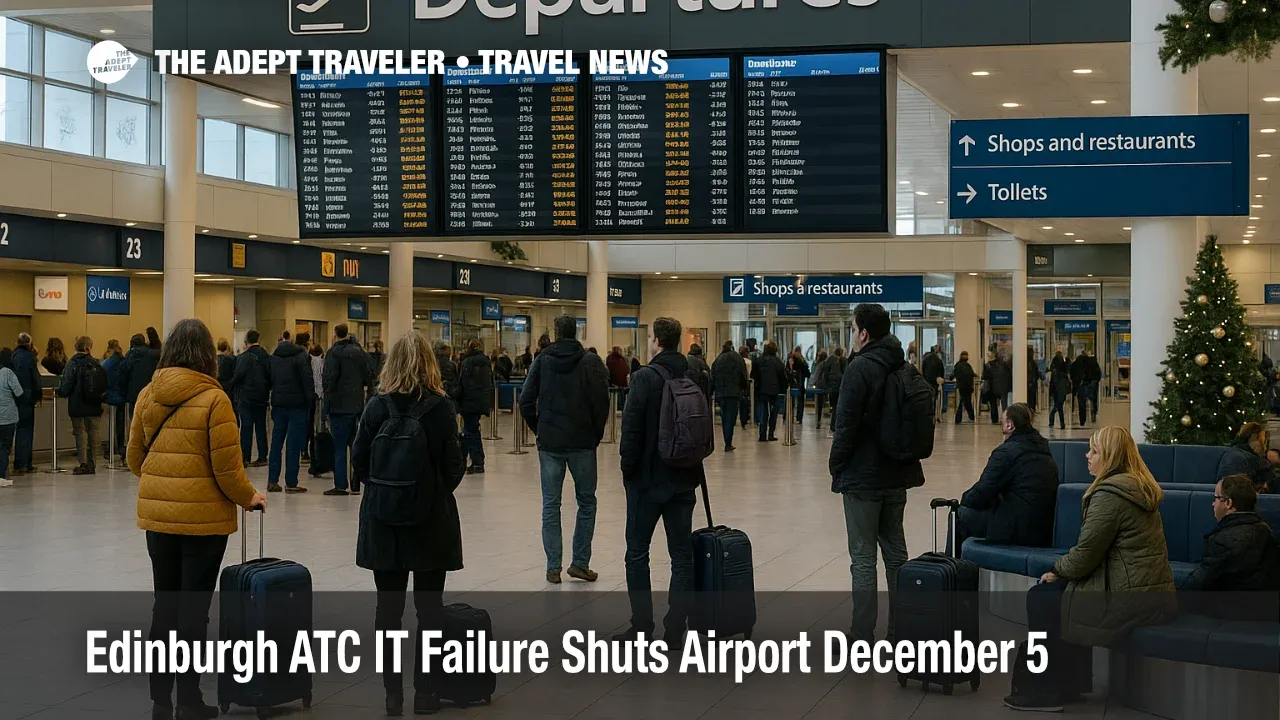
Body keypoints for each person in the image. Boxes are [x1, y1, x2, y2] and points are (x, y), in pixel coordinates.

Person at [128, 318, 266, 720]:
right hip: (204, 523)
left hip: (157, 519)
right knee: (193, 610)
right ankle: (189, 698)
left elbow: (135, 458)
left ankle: (159, 699)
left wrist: (164, 482)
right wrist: (249, 497)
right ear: (208, 354)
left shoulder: (147, 395)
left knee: (164, 607)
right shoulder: (214, 399)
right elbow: (227, 470)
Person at [1005, 426, 1177, 712]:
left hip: (1128, 595)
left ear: (1109, 457)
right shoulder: (1137, 486)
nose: (1088, 455)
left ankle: (1044, 690)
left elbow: (1086, 553)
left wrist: (1057, 570)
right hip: (1149, 589)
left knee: (1043, 597)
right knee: (1067, 594)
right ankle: (1071, 682)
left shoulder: (1110, 495)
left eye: (1094, 451)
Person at [351, 330, 465, 717]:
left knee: (388, 611)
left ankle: (392, 694)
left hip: (384, 522)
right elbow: (453, 467)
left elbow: (359, 462)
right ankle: (426, 692)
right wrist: (430, 490)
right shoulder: (439, 409)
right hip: (429, 521)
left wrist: (386, 490)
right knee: (429, 610)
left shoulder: (376, 408)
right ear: (430, 364)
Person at [829, 303, 924, 643]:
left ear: (864, 333)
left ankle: (861, 634)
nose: (853, 336)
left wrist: (835, 465)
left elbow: (846, 425)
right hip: (896, 475)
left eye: (854, 330)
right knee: (896, 554)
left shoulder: (860, 368)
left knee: (863, 559)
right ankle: (902, 629)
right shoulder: (903, 365)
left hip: (863, 477)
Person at [615, 317, 704, 642]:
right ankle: (676, 629)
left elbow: (631, 431)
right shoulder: (694, 373)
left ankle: (642, 625)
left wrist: (628, 472)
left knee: (637, 551)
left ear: (655, 341)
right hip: (684, 477)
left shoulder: (644, 378)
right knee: (681, 554)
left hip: (647, 481)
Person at [519, 315, 610, 585]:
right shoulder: (590, 361)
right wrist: (595, 433)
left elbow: (525, 400)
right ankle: (580, 562)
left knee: (551, 504)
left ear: (556, 333)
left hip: (550, 444)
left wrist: (540, 429)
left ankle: (553, 567)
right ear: (576, 333)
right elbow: (602, 402)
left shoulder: (542, 360)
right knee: (586, 502)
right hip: (582, 442)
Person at [955, 404, 1059, 552]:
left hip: (1017, 528)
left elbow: (982, 492)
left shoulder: (1006, 452)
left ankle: (954, 567)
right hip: (1043, 527)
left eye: (1002, 421)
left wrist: (964, 500)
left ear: (1010, 425)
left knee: (960, 514)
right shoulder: (1043, 447)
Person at [1179, 474, 1280, 603]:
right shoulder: (1267, 531)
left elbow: (1199, 583)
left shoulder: (1224, 542)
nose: (1213, 504)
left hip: (1236, 613)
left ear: (1228, 503)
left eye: (1216, 498)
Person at [323, 323, 374, 496]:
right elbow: (370, 376)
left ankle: (340, 484)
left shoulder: (333, 353)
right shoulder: (359, 353)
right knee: (355, 446)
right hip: (357, 406)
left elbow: (329, 380)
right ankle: (356, 483)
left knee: (339, 447)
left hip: (338, 407)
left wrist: (326, 406)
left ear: (335, 334)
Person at [266, 332, 314, 494]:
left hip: (278, 404)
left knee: (276, 442)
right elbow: (307, 380)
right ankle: (291, 483)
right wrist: (310, 402)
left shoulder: (273, 357)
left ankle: (272, 480)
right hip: (298, 405)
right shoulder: (301, 356)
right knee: (293, 444)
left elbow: (269, 380)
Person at [58, 336, 105, 475]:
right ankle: (93, 462)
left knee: (80, 433)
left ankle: (83, 462)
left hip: (77, 404)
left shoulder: (72, 363)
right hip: (94, 404)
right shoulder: (95, 363)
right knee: (93, 433)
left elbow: (66, 383)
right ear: (89, 347)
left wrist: (63, 393)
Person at [231, 330, 271, 468]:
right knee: (261, 427)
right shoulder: (265, 356)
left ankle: (245, 457)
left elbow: (237, 376)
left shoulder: (243, 357)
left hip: (246, 396)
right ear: (258, 339)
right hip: (261, 397)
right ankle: (262, 456)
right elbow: (270, 375)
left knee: (246, 427)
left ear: (246, 341)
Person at [456, 339, 494, 475]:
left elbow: (462, 384)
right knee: (471, 429)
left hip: (469, 402)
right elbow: (490, 383)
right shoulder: (486, 362)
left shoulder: (467, 362)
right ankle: (465, 459)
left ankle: (477, 462)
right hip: (481, 401)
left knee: (471, 431)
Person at [10, 334, 40, 475]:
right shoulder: (30, 357)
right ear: (30, 344)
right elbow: (35, 378)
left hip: (14, 398)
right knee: (26, 431)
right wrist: (37, 395)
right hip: (27, 399)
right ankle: (25, 463)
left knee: (17, 430)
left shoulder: (13, 356)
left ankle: (18, 463)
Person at [1219, 422, 1277, 493]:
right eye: (1262, 440)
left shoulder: (1233, 451)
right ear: (1254, 438)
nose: (1264, 446)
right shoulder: (1248, 458)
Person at [711, 340, 748, 451]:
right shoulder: (737, 358)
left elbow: (713, 375)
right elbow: (743, 374)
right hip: (733, 392)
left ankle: (727, 440)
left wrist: (712, 391)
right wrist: (743, 388)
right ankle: (728, 442)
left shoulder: (718, 359)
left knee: (724, 417)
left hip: (721, 392)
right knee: (731, 418)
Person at [121, 332, 162, 424]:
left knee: (134, 420)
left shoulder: (129, 356)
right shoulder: (153, 355)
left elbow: (124, 374)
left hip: (133, 394)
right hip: (149, 392)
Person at [751, 341, 788, 442]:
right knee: (774, 413)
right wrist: (784, 389)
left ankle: (762, 434)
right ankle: (771, 433)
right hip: (774, 390)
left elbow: (753, 375)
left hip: (761, 390)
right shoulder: (778, 362)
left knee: (763, 412)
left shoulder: (758, 361)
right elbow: (783, 377)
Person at [0, 348, 24, 487]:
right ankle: (1, 475)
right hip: (7, 417)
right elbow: (19, 392)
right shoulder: (8, 373)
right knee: (4, 447)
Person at [102, 339, 126, 459]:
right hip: (122, 397)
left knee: (109, 425)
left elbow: (102, 376)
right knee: (121, 425)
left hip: (110, 397)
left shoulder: (107, 363)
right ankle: (121, 448)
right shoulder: (124, 361)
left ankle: (110, 448)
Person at [816, 347, 846, 430]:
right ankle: (834, 425)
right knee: (837, 406)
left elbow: (825, 372)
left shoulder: (829, 360)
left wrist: (827, 384)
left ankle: (831, 424)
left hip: (830, 387)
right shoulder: (842, 360)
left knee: (833, 406)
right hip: (838, 386)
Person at [1071, 350, 1102, 427]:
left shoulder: (1076, 363)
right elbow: (1099, 373)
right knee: (1093, 400)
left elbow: (1072, 374)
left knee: (1082, 403)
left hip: (1081, 384)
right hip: (1092, 383)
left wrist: (1076, 383)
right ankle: (1093, 415)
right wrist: (1096, 381)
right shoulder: (1093, 362)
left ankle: (1082, 420)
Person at [951, 350, 976, 424]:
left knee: (962, 402)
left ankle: (959, 419)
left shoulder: (958, 365)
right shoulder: (968, 366)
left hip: (961, 386)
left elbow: (953, 374)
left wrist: (950, 378)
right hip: (968, 387)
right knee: (966, 402)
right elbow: (972, 374)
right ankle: (971, 416)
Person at [1048, 351, 1071, 430]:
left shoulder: (1054, 370)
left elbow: (1052, 383)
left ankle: (1053, 420)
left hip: (1056, 390)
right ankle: (1061, 422)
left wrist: (1051, 393)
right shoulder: (1063, 371)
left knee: (1058, 406)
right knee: (1059, 406)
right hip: (1062, 390)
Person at [788, 346, 811, 424]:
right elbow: (808, 374)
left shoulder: (790, 360)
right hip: (800, 384)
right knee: (800, 402)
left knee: (790, 401)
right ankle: (799, 418)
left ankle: (788, 417)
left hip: (791, 384)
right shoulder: (803, 361)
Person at [982, 350, 1006, 424]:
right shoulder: (1000, 365)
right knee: (1003, 403)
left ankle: (994, 419)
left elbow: (985, 376)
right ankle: (1004, 417)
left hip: (991, 387)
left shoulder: (987, 365)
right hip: (1000, 386)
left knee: (993, 404)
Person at [739, 346, 753, 429]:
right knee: (747, 400)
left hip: (740, 383)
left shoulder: (737, 361)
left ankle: (743, 419)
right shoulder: (749, 362)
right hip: (747, 383)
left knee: (742, 402)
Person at [1026, 346, 1044, 413]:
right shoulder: (1030, 362)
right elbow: (1034, 372)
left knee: (1030, 398)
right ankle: (1031, 410)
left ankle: (1030, 409)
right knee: (1031, 398)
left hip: (1030, 383)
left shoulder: (1030, 362)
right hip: (1031, 383)